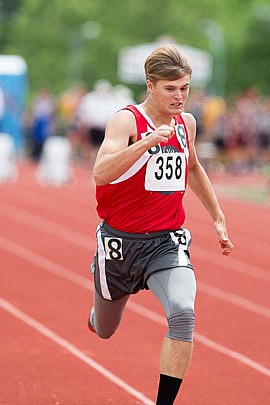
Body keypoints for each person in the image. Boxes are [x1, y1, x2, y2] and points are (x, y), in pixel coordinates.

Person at [88, 45, 234, 404]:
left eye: (185, 88)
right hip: (120, 244)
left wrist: (217, 217)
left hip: (165, 243)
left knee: (183, 312)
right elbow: (100, 173)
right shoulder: (126, 120)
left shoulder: (187, 123)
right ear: (151, 86)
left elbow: (194, 168)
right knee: (105, 330)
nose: (180, 96)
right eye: (171, 88)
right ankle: (97, 305)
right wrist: (146, 144)